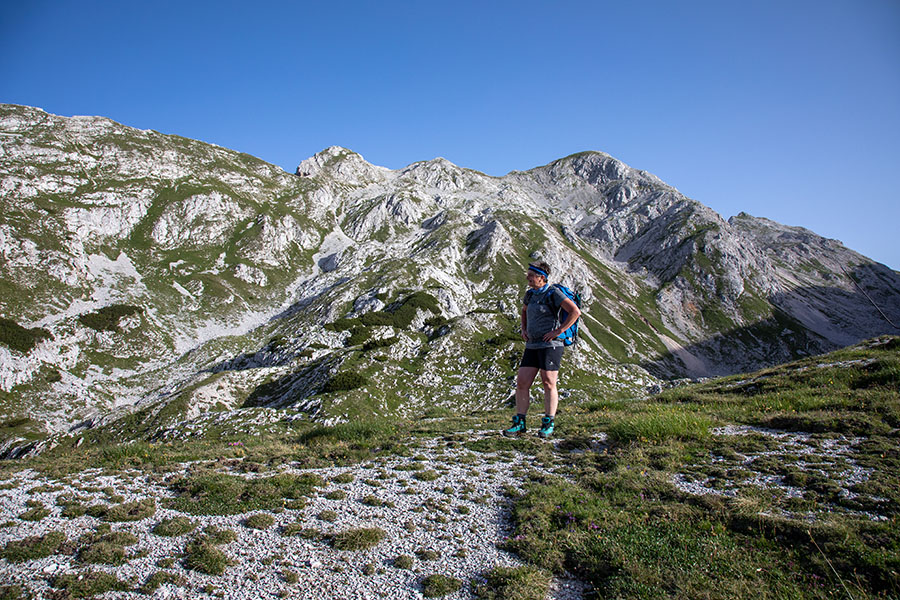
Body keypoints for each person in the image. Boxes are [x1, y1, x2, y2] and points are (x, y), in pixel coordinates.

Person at [503, 261, 581, 439]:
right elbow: (524, 311)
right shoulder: (529, 295)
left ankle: (548, 422)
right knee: (522, 382)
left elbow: (575, 312)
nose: (527, 278)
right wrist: (523, 328)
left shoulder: (553, 293)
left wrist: (558, 331)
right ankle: (520, 423)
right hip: (532, 344)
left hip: (551, 345)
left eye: (531, 275)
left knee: (548, 382)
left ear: (542, 278)